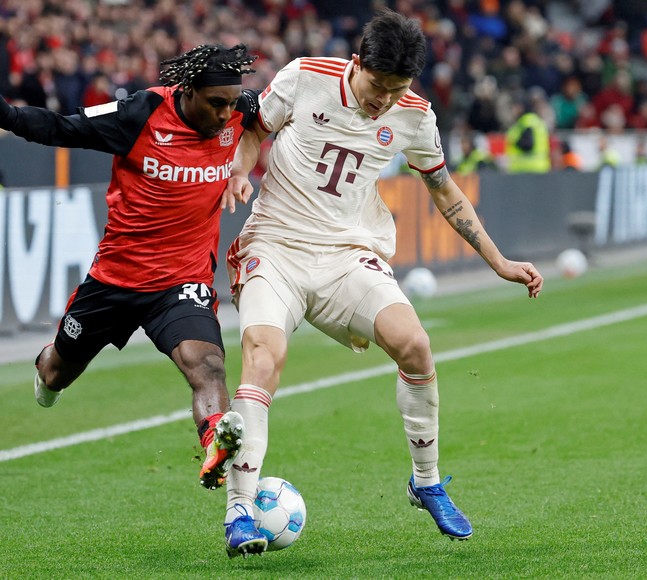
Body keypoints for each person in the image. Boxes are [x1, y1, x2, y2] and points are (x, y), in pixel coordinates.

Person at [220, 9, 544, 558]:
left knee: (415, 345)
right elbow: (255, 130)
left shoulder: (415, 115)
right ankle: (239, 512)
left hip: (348, 256)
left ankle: (426, 481)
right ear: (357, 64)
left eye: (397, 90)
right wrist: (237, 168)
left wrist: (499, 261)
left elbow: (445, 191)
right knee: (263, 356)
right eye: (378, 87)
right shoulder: (306, 76)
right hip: (274, 247)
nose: (384, 101)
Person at [0, 44, 260, 491]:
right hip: (114, 281)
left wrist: (240, 169)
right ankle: (47, 367)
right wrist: (8, 116)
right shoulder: (141, 113)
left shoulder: (242, 109)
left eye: (230, 104)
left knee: (208, 365)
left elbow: (276, 116)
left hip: (182, 281)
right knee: (57, 372)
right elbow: (66, 127)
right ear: (187, 91)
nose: (225, 114)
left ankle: (215, 440)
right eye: (215, 103)